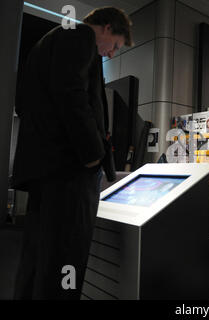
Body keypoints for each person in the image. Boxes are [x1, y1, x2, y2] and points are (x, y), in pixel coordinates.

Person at [12, 7, 133, 299]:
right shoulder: (78, 36)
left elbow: (29, 103)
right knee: (66, 258)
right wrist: (93, 156)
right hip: (70, 170)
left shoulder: (48, 43)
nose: (112, 54)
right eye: (115, 45)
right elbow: (73, 98)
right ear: (105, 27)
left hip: (47, 171)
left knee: (39, 258)